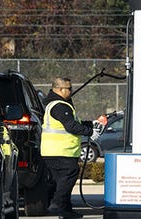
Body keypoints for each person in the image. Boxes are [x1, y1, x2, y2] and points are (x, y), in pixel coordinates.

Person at [41, 77, 99, 219]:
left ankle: (66, 211)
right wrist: (91, 132)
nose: (71, 91)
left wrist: (92, 123)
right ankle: (56, 203)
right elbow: (71, 126)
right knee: (70, 173)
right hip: (60, 150)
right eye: (69, 88)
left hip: (54, 150)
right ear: (59, 89)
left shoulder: (56, 105)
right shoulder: (59, 105)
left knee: (62, 180)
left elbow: (73, 122)